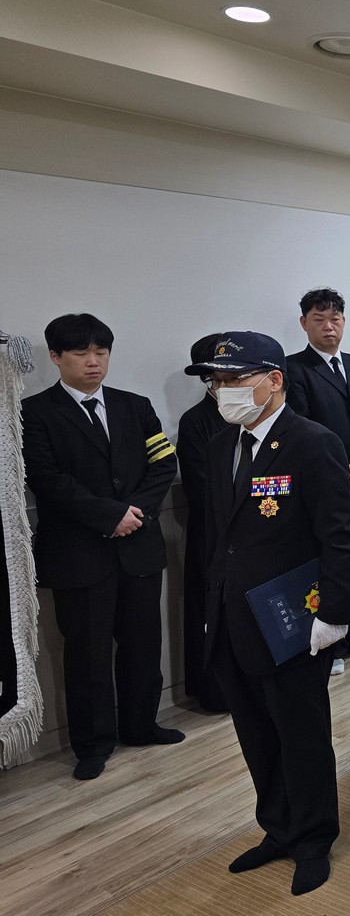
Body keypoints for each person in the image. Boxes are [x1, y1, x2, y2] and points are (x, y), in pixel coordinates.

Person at [192, 331, 350, 896]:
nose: (224, 390)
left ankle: (313, 838)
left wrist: (334, 614)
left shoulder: (312, 442)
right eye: (217, 381)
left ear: (274, 380)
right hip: (232, 618)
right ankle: (278, 827)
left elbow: (340, 537)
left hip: (293, 620)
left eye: (236, 379)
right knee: (256, 734)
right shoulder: (222, 445)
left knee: (301, 735)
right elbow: (219, 536)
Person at [22, 313, 182, 781]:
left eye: (101, 352)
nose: (93, 361)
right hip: (78, 552)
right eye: (81, 353)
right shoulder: (34, 413)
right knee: (87, 652)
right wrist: (109, 516)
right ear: (57, 357)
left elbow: (163, 464)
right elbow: (47, 479)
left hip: (138, 545)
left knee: (142, 643)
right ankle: (92, 744)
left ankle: (141, 724)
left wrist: (134, 513)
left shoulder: (135, 405)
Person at [285, 287, 350, 672]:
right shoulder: (293, 370)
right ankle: (334, 643)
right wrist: (345, 471)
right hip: (328, 484)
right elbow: (301, 432)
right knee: (332, 563)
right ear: (304, 323)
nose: (329, 327)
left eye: (335, 319)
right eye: (319, 320)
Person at [176, 332, 232, 712]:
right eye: (218, 376)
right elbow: (200, 487)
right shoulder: (195, 421)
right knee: (211, 613)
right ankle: (215, 692)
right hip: (213, 534)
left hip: (260, 534)